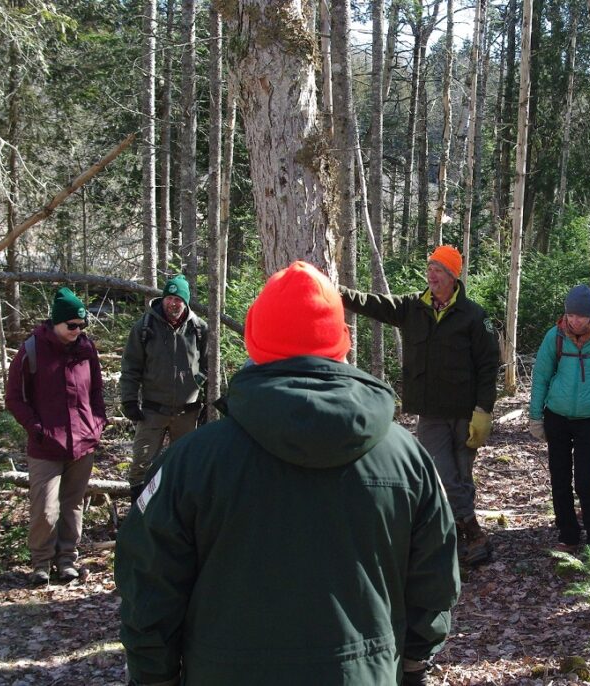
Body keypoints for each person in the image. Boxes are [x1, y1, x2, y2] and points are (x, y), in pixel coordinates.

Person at [116, 261, 460, 685]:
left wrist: (154, 675)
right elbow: (435, 580)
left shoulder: (193, 460)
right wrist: (411, 665)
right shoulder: (407, 458)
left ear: (254, 342)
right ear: (343, 342)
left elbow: (148, 586)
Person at [339, 245, 500, 566]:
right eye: (430, 268)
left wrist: (484, 410)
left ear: (453, 277)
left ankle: (460, 542)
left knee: (462, 476)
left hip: (466, 412)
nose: (431, 274)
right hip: (431, 412)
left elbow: (488, 366)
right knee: (443, 472)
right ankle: (475, 534)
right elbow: (376, 305)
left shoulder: (473, 316)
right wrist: (339, 292)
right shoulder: (413, 307)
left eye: (438, 270)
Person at [6, 286, 107, 584]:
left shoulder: (86, 349)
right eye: (72, 325)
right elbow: (14, 398)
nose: (77, 330)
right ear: (56, 322)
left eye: (81, 325)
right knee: (45, 509)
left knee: (72, 506)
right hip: (45, 447)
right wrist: (37, 430)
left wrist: (97, 424)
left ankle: (67, 560)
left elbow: (97, 392)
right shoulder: (32, 350)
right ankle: (40, 563)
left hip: (83, 444)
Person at [528, 285, 590, 553]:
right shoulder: (555, 336)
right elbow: (541, 376)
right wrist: (535, 415)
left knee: (585, 480)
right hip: (556, 416)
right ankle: (568, 534)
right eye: (570, 315)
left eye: (580, 316)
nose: (574, 321)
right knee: (559, 479)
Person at [120, 274, 208, 501]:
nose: (173, 303)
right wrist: (129, 401)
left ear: (186, 302)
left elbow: (208, 367)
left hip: (188, 413)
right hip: (152, 411)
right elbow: (131, 367)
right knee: (141, 464)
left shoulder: (199, 329)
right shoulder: (144, 327)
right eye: (169, 298)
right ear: (163, 299)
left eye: (179, 299)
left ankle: (181, 513)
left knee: (186, 465)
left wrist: (206, 400)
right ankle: (139, 514)